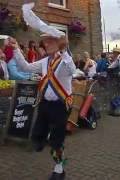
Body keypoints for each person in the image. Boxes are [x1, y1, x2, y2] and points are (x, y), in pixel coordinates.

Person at [9, 33, 76, 180]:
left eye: (50, 41)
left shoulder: (64, 61)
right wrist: (15, 48)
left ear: (59, 44)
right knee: (37, 134)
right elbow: (26, 67)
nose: (46, 44)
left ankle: (59, 168)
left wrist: (65, 51)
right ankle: (41, 141)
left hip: (61, 105)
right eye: (45, 42)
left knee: (57, 141)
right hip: (45, 103)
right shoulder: (44, 62)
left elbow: (72, 70)